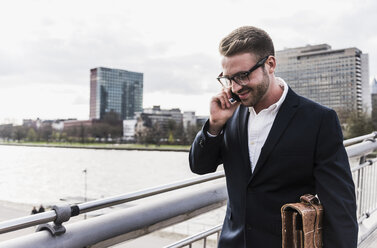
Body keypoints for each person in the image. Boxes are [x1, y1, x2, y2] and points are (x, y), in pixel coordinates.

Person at [189, 26, 357, 247]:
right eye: (228, 78)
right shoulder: (228, 115)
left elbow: (340, 208)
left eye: (242, 76)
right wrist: (214, 125)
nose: (235, 87)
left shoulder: (319, 120)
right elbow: (200, 166)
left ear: (270, 64)